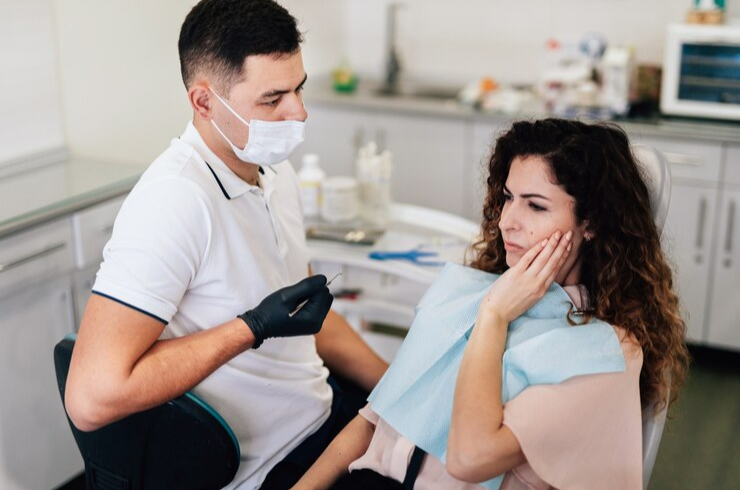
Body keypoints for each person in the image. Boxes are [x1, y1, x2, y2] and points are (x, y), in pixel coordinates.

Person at [64, 1, 387, 488]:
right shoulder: (174, 202)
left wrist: (393, 385)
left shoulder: (275, 171)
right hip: (263, 467)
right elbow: (90, 399)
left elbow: (303, 314)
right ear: (204, 102)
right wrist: (250, 327)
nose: (299, 112)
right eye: (273, 98)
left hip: (318, 414)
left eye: (299, 88)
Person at [291, 118, 690, 490]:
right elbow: (375, 419)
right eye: (508, 198)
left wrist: (494, 318)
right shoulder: (467, 292)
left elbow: (469, 459)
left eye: (535, 205)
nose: (507, 221)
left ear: (592, 224)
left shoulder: (603, 352)